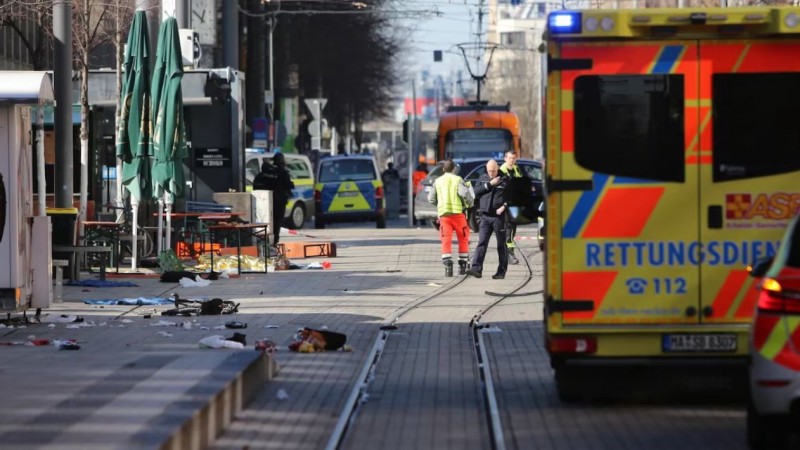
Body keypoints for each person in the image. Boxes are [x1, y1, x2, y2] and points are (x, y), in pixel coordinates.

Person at [428, 159, 474, 276]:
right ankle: (463, 265)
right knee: (463, 238)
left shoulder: (437, 181)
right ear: (454, 169)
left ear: (443, 169)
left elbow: (431, 198)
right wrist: (469, 203)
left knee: (446, 240)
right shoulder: (457, 180)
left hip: (444, 216)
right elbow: (464, 194)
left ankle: (448, 264)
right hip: (458, 215)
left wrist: (440, 204)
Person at [466, 159, 510, 279]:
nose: (491, 173)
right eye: (489, 171)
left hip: (499, 218)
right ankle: (476, 268)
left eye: (494, 171)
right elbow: (474, 192)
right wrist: (489, 184)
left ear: (498, 168)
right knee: (481, 243)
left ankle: (501, 271)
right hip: (485, 217)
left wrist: (504, 206)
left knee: (501, 245)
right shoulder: (483, 178)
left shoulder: (505, 179)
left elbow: (512, 197)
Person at [253, 153, 294, 245]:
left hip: (262, 203)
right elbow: (289, 185)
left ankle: (262, 242)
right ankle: (274, 242)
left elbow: (255, 186)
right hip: (278, 202)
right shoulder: (282, 172)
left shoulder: (262, 175)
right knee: (277, 222)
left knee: (263, 222)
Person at [499, 150, 527, 265]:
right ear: (505, 158)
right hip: (505, 205)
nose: (512, 160)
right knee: (508, 229)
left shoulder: (517, 169)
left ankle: (506, 253)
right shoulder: (501, 172)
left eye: (514, 158)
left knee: (512, 229)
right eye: (510, 158)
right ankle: (509, 254)